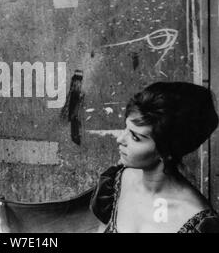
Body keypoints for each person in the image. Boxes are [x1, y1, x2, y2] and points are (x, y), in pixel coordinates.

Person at [90, 81, 219, 233]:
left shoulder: (197, 221)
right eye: (126, 128)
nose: (120, 139)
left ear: (166, 151)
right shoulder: (115, 181)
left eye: (135, 137)